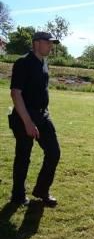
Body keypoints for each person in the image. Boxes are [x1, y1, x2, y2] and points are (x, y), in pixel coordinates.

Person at [9, 31, 61, 207]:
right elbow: (16, 93)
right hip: (24, 116)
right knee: (23, 156)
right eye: (48, 42)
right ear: (37, 43)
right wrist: (28, 122)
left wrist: (44, 112)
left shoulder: (43, 63)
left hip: (42, 115)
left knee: (54, 152)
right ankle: (17, 196)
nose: (51, 46)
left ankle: (41, 190)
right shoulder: (23, 63)